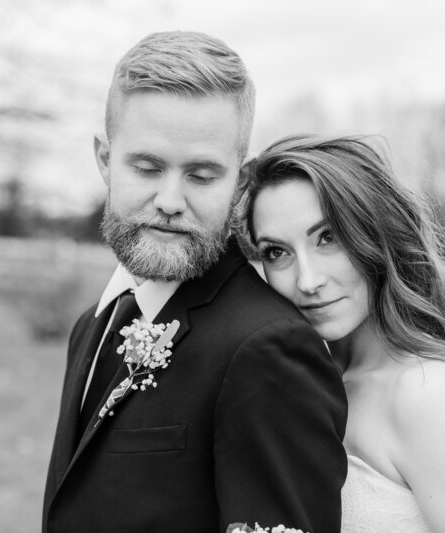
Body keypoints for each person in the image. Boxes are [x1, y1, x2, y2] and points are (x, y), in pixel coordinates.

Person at [42, 33, 347, 533]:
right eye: (146, 167)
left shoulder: (269, 349)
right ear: (104, 159)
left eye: (202, 175)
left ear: (241, 182)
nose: (169, 199)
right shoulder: (90, 326)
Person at [244, 134, 445, 533]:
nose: (308, 280)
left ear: (377, 233)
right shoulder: (307, 384)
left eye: (328, 237)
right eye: (276, 252)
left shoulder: (430, 394)